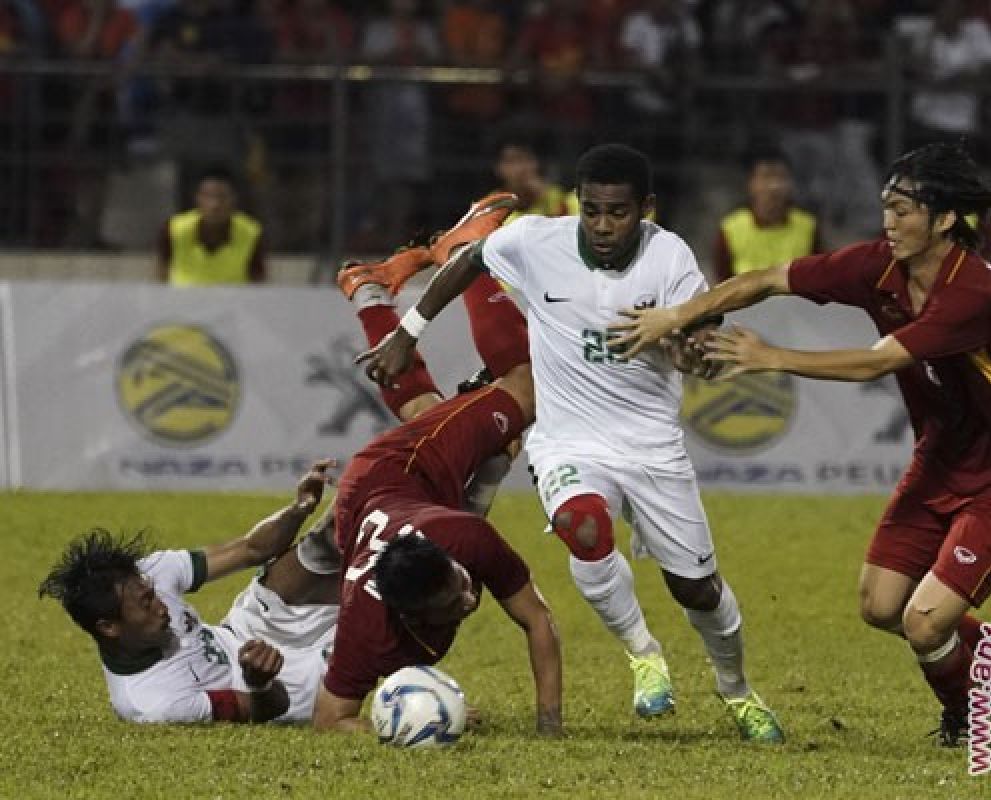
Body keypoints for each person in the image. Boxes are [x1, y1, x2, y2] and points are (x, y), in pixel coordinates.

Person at [609, 142, 991, 746]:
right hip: (941, 457)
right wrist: (677, 316)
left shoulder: (972, 291)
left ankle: (972, 717)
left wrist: (770, 358)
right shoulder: (878, 267)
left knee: (925, 623)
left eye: (904, 210)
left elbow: (876, 364)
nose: (889, 222)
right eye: (886, 208)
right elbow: (767, 279)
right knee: (880, 604)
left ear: (945, 219)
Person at [357, 143, 785, 744]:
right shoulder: (539, 239)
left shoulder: (670, 259)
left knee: (696, 589)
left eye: (618, 213)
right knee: (581, 527)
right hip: (567, 438)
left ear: (647, 209)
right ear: (578, 205)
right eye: (593, 211)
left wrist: (694, 355)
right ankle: (643, 655)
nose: (603, 225)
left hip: (651, 443)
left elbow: (700, 340)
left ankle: (736, 689)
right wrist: (408, 331)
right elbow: (470, 260)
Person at [314, 194, 564, 737]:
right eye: (454, 602)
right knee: (426, 411)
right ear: (409, 613)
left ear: (448, 559)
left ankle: (465, 252)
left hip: (398, 471)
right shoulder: (367, 627)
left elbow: (537, 619)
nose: (469, 598)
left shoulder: (463, 541)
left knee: (527, 387)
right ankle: (368, 291)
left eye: (459, 585)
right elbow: (329, 720)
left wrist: (550, 728)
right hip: (379, 500)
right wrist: (402, 725)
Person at [38, 462, 340, 724]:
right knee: (375, 626)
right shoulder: (154, 703)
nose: (162, 607)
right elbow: (266, 710)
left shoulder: (146, 574)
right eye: (146, 603)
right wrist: (258, 683)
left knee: (333, 534)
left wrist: (299, 509)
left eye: (154, 594)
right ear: (109, 627)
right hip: (274, 684)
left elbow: (250, 549)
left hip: (247, 628)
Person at [713, 147, 820, 284]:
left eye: (781, 177)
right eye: (766, 177)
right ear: (751, 183)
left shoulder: (808, 226)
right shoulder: (730, 230)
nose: (774, 186)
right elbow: (721, 286)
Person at [157, 166, 266, 286]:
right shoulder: (173, 229)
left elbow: (259, 283)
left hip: (233, 302)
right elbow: (161, 278)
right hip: (183, 302)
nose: (215, 204)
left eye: (222, 197)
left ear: (234, 199)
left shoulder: (251, 232)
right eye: (208, 196)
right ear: (197, 198)